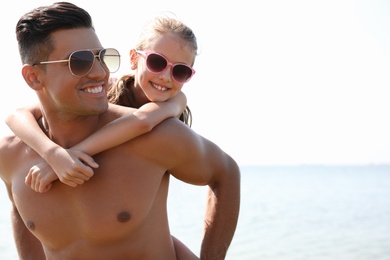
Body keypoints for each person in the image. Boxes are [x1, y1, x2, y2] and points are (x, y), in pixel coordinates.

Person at [0, 2, 240, 259]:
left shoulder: (158, 134)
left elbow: (226, 173)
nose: (100, 72)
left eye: (101, 58)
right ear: (34, 77)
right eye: (79, 62)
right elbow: (20, 209)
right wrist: (51, 152)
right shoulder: (11, 155)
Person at [6, 14, 195, 193]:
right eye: (156, 62)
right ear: (134, 58)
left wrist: (68, 156)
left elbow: (142, 121)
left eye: (181, 71)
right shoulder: (106, 88)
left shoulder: (176, 101)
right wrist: (52, 154)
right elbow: (15, 116)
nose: (165, 77)